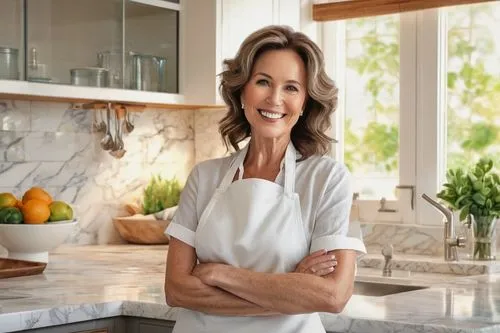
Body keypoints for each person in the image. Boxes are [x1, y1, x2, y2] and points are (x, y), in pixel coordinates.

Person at [164, 25, 366, 333]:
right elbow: (177, 290)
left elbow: (333, 296)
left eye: (291, 88)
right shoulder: (204, 177)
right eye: (262, 82)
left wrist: (219, 274)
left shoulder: (328, 179)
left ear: (305, 103)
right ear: (241, 90)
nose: (274, 99)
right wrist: (290, 290)